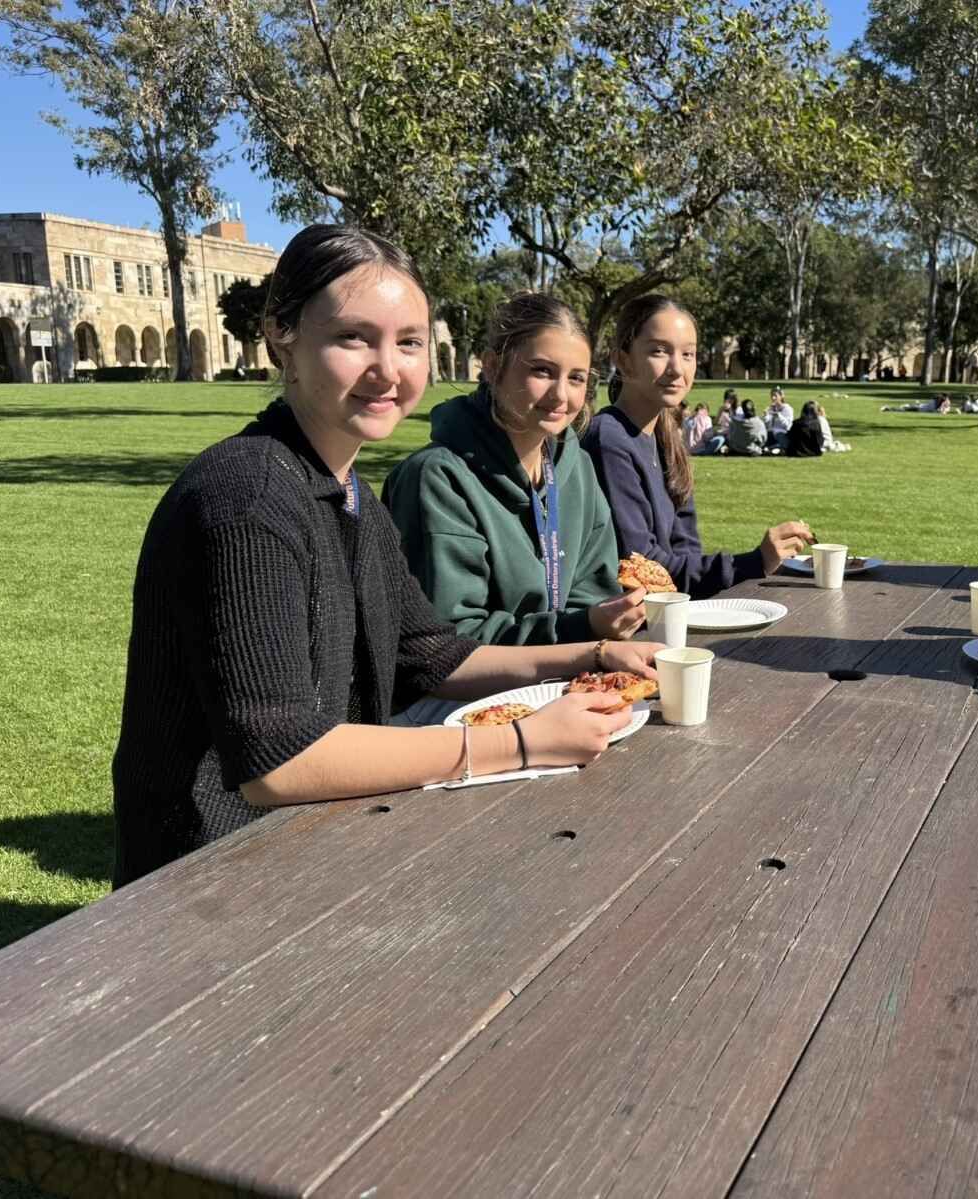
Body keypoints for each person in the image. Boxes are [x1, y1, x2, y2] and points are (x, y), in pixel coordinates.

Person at [111, 226, 658, 887]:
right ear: (281, 335)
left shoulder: (350, 495)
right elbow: (277, 762)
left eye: (409, 343)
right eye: (353, 337)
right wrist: (519, 743)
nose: (388, 370)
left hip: (315, 842)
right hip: (210, 880)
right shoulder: (247, 496)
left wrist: (594, 655)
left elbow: (431, 654)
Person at [382, 291, 645, 658]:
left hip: (572, 673)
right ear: (492, 367)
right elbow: (448, 641)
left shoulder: (578, 469)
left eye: (576, 378)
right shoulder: (436, 480)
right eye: (542, 371)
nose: (561, 395)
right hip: (470, 689)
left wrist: (596, 622)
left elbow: (594, 593)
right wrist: (580, 628)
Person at [582, 294, 813, 598]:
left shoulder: (666, 437)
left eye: (688, 354)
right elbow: (643, 569)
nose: (677, 368)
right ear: (623, 360)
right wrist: (753, 562)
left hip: (673, 612)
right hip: (631, 620)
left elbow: (685, 548)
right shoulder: (608, 440)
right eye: (659, 351)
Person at [764, 387, 794, 452]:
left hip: (782, 434)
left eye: (775, 396)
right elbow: (767, 426)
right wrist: (766, 416)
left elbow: (788, 426)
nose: (773, 398)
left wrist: (779, 416)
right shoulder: (771, 408)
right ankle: (772, 448)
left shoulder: (787, 409)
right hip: (771, 434)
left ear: (781, 396)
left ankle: (771, 448)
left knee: (784, 443)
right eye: (772, 395)